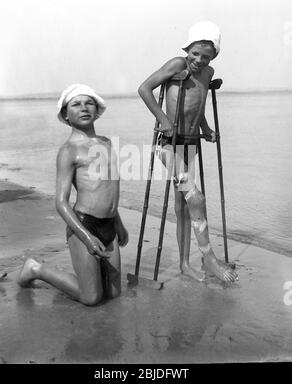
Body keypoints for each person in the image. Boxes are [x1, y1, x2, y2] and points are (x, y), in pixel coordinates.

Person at [138, 21, 238, 283]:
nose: (199, 60)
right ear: (187, 49)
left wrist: (207, 128)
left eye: (206, 56)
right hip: (168, 144)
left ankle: (184, 264)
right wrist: (163, 118)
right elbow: (144, 88)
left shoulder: (208, 73)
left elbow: (198, 103)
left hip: (191, 143)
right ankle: (210, 260)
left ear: (213, 56)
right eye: (195, 53)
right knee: (196, 199)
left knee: (183, 207)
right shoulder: (176, 65)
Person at [18, 84, 129, 305]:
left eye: (89, 103)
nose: (84, 108)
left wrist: (118, 223)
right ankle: (35, 268)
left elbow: (107, 189)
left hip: (109, 224)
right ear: (66, 115)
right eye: (76, 104)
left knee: (115, 293)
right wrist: (87, 238)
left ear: (97, 111)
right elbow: (61, 202)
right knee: (91, 297)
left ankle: (93, 271)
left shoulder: (106, 143)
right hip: (85, 224)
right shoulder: (69, 151)